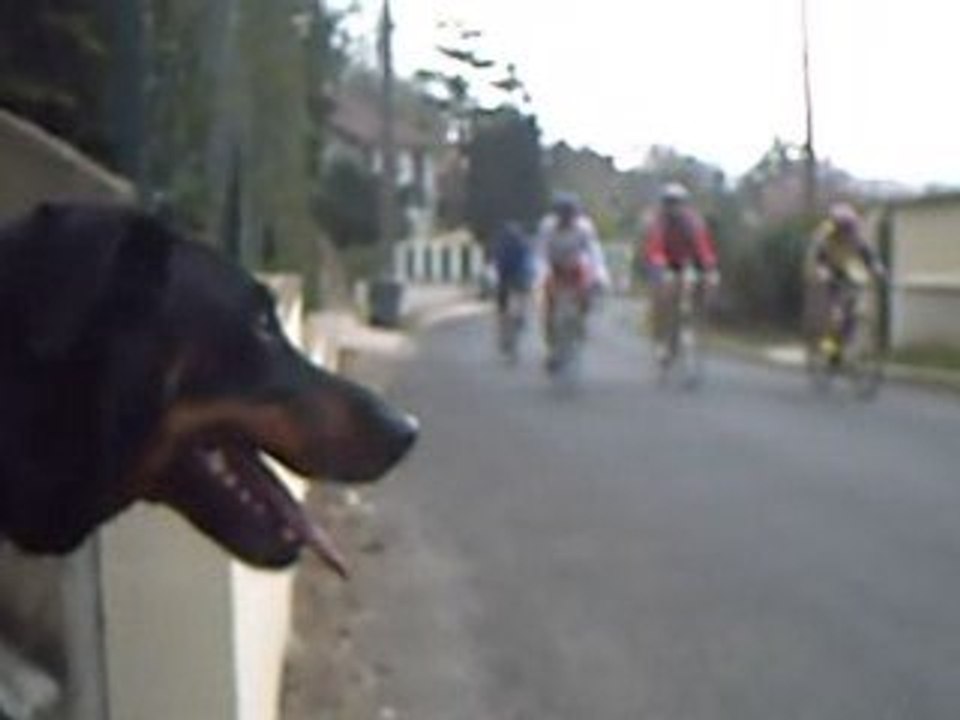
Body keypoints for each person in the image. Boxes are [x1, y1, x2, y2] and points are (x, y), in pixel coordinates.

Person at [640, 182, 719, 363]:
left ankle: (691, 319)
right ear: (664, 204)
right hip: (665, 263)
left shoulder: (693, 221)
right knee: (663, 295)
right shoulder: (659, 222)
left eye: (677, 203)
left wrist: (709, 264)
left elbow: (703, 246)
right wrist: (658, 261)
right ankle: (661, 338)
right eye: (669, 203)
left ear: (684, 204)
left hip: (687, 262)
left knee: (698, 284)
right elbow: (655, 245)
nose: (673, 207)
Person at [536, 193, 610, 367]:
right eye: (562, 214)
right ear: (556, 214)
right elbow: (541, 254)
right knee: (548, 308)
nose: (566, 218)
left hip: (576, 269)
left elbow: (594, 253)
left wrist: (600, 275)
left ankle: (581, 322)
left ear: (575, 214)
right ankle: (551, 347)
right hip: (555, 268)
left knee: (586, 293)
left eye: (569, 214)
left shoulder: (584, 228)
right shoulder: (547, 227)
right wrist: (541, 276)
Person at [805, 202, 886, 360]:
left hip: (848, 269)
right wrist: (822, 272)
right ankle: (829, 349)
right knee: (836, 315)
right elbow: (819, 256)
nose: (845, 230)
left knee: (851, 308)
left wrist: (878, 268)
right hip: (831, 271)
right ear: (835, 225)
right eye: (842, 226)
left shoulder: (854, 235)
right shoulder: (826, 234)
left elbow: (867, 253)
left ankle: (846, 339)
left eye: (848, 226)